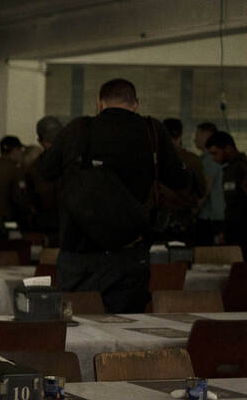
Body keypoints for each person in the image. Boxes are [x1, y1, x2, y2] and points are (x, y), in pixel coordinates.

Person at [38, 78, 187, 313]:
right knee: (125, 330)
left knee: (75, 326)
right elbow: (179, 180)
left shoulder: (78, 129)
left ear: (99, 102)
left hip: (80, 250)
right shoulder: (152, 131)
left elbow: (45, 171)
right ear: (136, 103)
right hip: (129, 251)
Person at [156, 118, 208, 244]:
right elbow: (201, 190)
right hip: (186, 219)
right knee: (186, 257)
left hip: (160, 218)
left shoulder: (154, 160)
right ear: (180, 135)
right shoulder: (193, 160)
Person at [206, 131, 247, 252]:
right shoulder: (230, 169)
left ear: (228, 148)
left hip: (242, 229)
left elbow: (236, 204)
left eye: (215, 153)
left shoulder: (241, 168)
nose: (213, 158)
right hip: (233, 228)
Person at [193, 121, 224, 246]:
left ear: (207, 135)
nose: (195, 139)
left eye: (198, 135)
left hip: (210, 218)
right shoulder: (217, 156)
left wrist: (194, 210)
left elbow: (205, 187)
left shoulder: (210, 159)